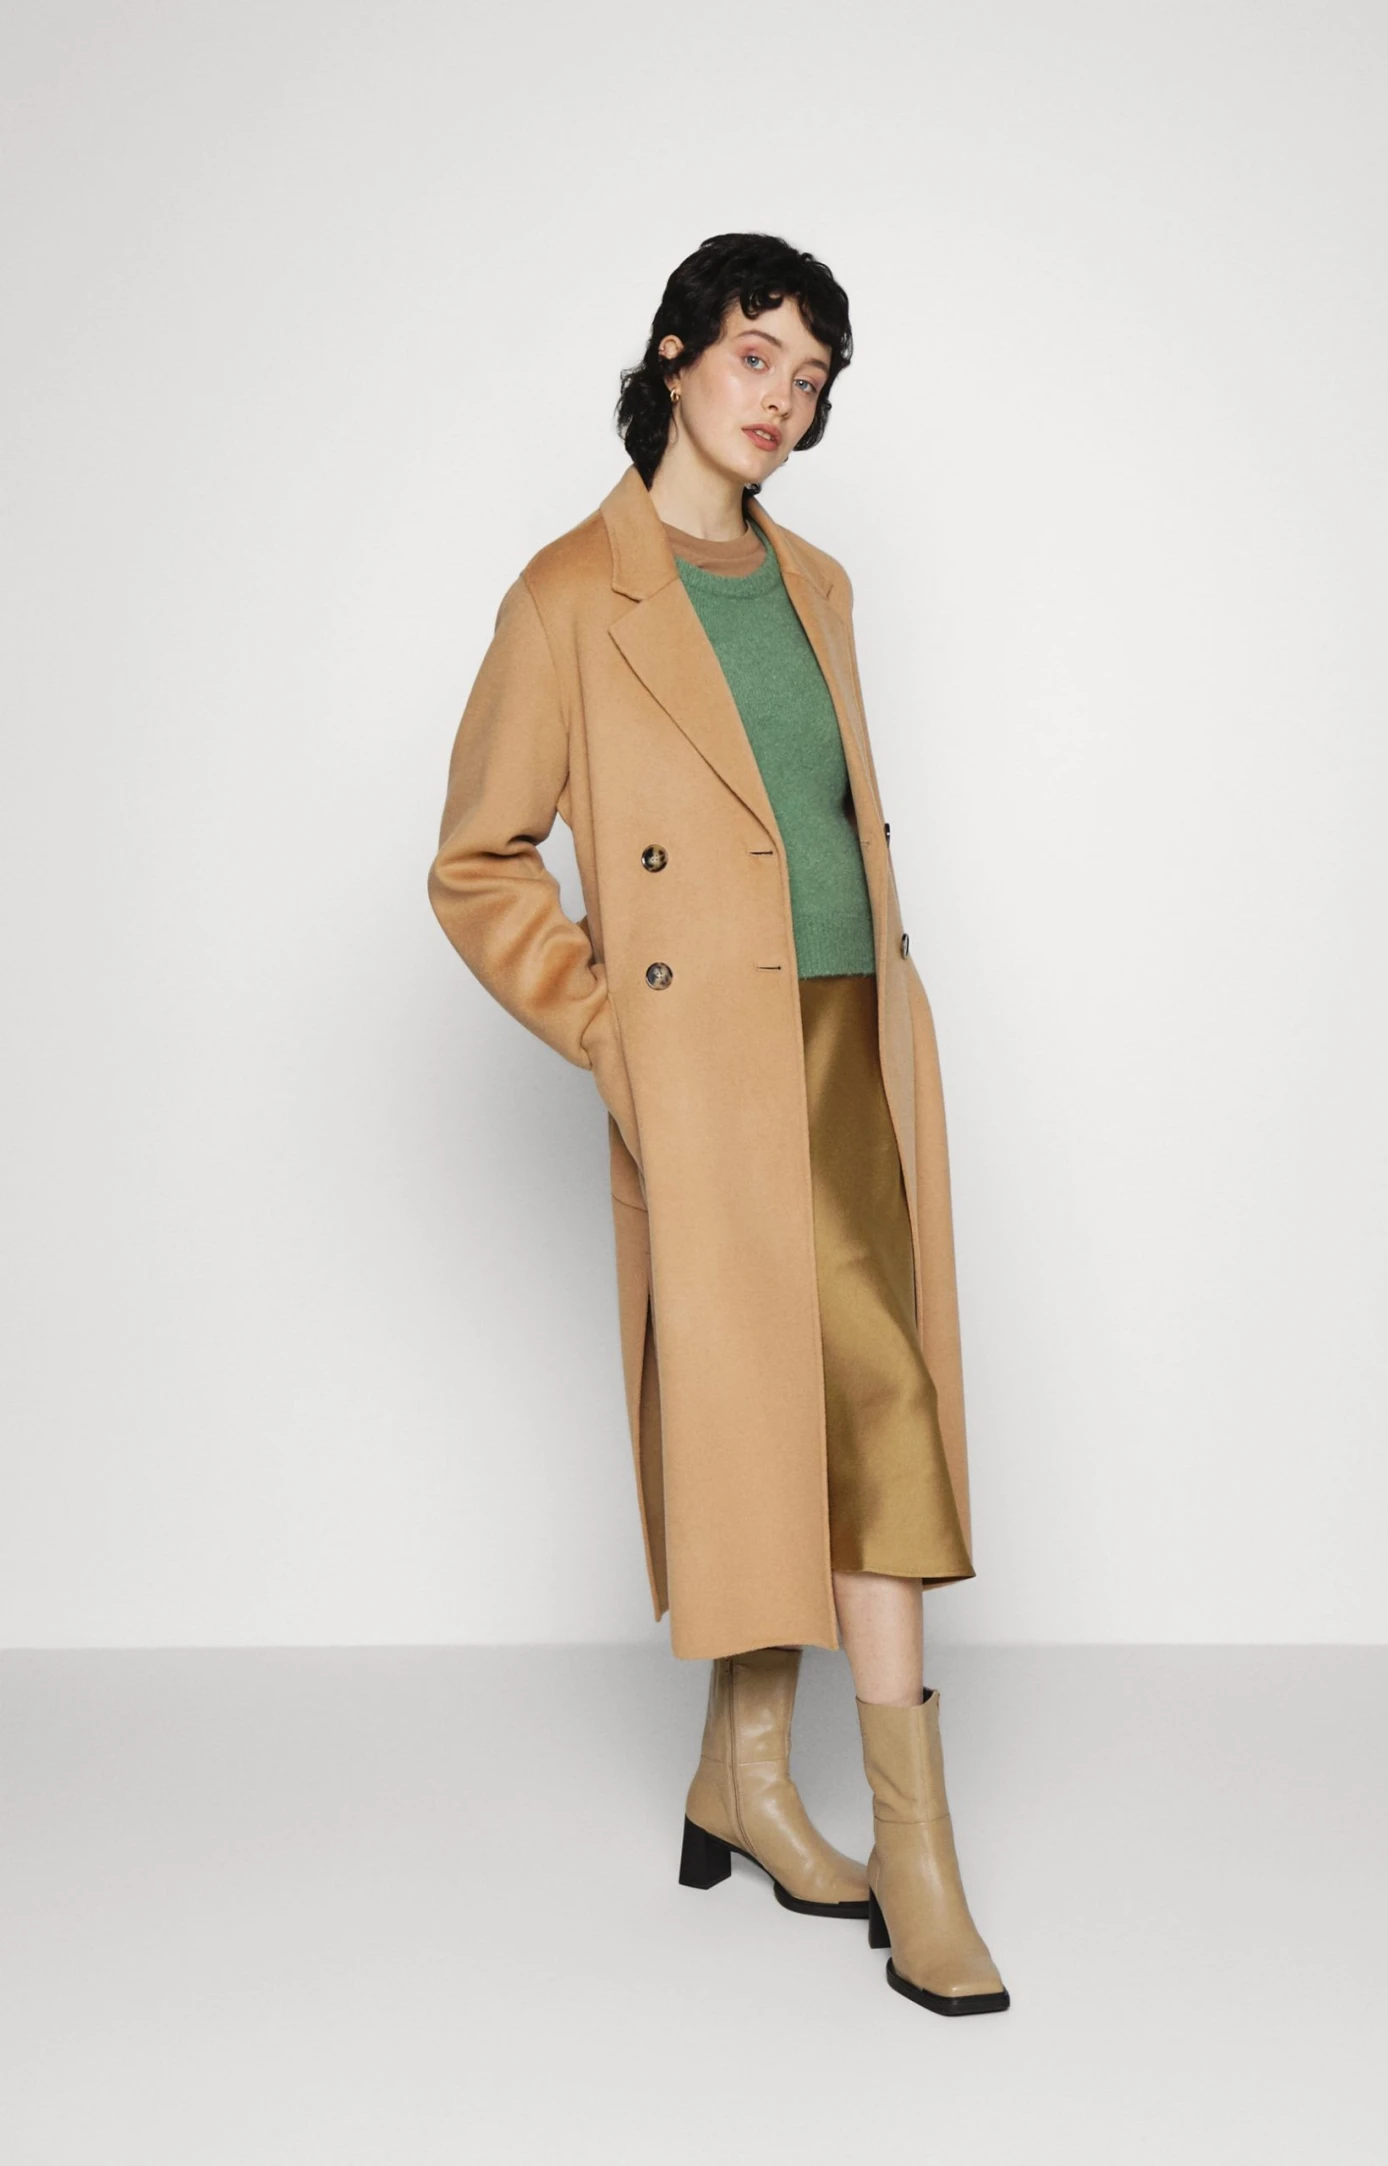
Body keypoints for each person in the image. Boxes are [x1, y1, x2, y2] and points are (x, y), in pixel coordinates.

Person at [428, 232, 1008, 2016]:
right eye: (758, 357)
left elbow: (821, 826)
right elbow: (477, 861)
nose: (784, 400)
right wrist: (620, 1037)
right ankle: (899, 1849)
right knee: (811, 1412)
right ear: (676, 354)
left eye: (811, 379)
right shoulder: (567, 596)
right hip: (714, 1069)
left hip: (852, 1043)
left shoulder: (819, 583)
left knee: (853, 1409)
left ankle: (756, 1784)